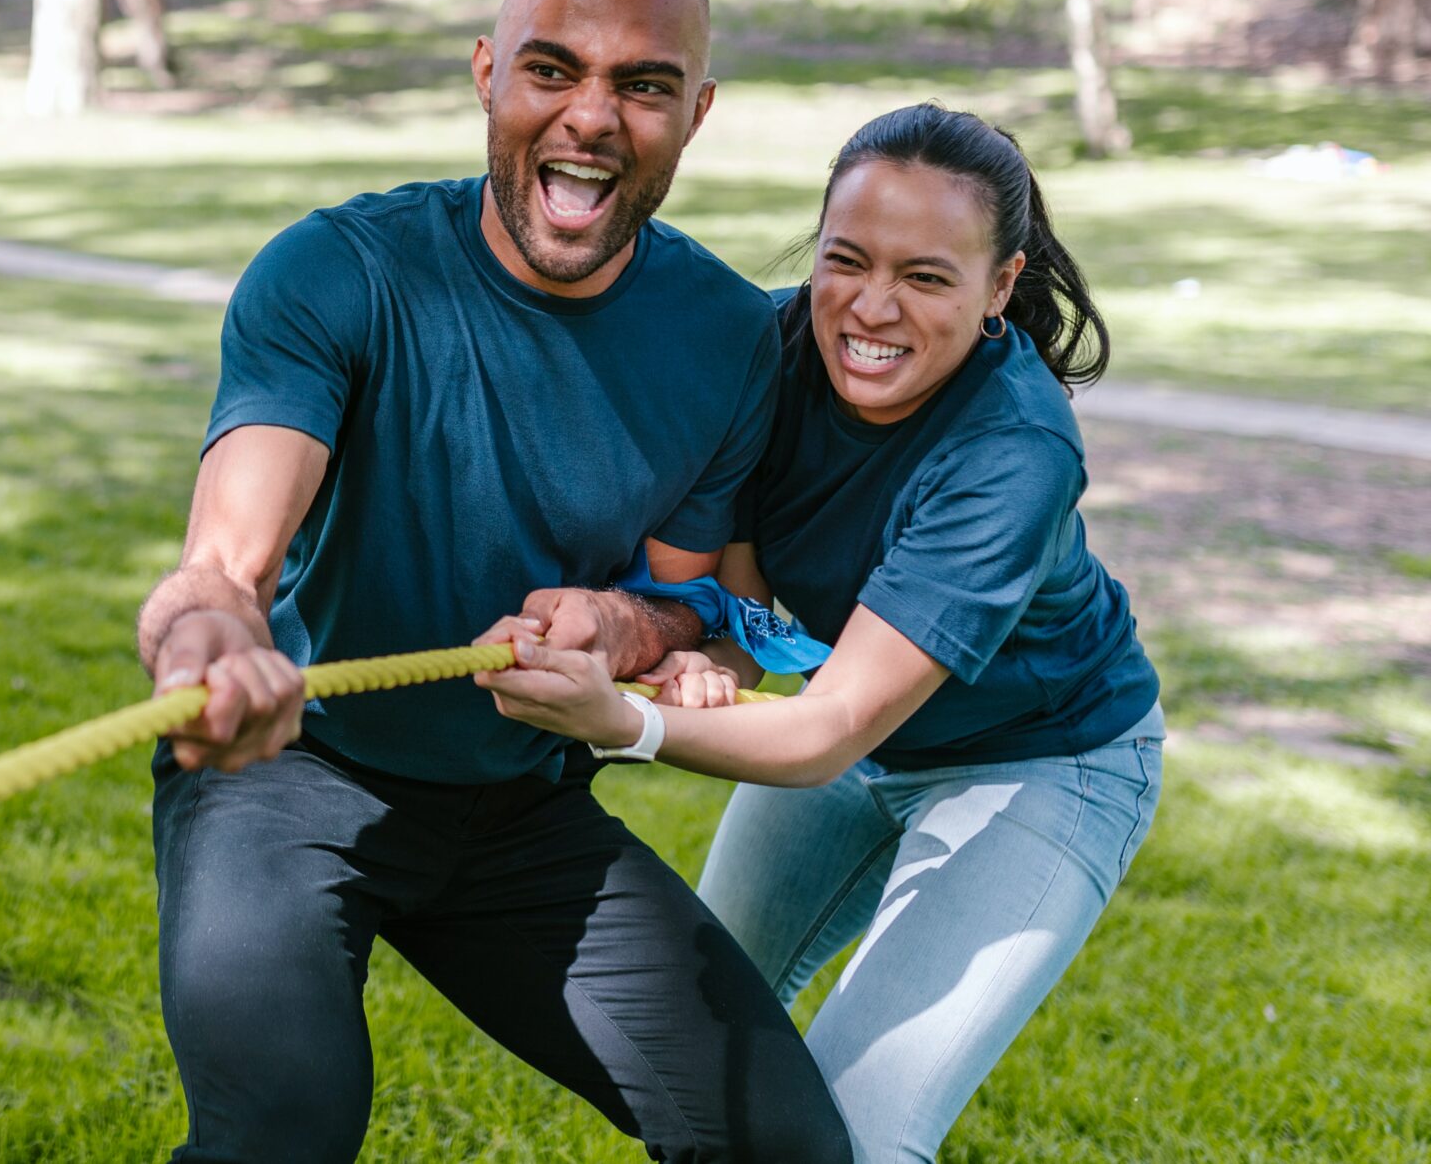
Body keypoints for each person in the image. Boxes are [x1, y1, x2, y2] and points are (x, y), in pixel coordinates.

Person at [137, 0, 851, 1164]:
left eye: (643, 86)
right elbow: (224, 564)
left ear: (696, 113)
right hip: (289, 775)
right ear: (486, 73)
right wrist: (212, 641)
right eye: (551, 69)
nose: (591, 117)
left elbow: (685, 604)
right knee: (284, 1134)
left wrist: (621, 625)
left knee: (782, 1145)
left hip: (516, 813)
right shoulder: (338, 273)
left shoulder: (733, 337)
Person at [476, 102, 1163, 1164]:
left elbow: (828, 729)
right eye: (847, 259)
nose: (870, 309)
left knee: (859, 1133)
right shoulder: (770, 353)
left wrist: (623, 723)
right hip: (861, 716)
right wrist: (709, 658)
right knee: (693, 1054)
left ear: (1000, 285)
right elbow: (753, 609)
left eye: (927, 277)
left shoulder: (1014, 450)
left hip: (1042, 762)